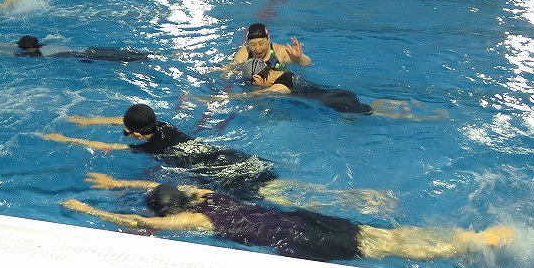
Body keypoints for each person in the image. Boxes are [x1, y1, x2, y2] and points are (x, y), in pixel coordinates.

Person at [61, 172, 515, 264]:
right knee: (380, 236)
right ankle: (466, 236)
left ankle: (469, 244)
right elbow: (162, 190)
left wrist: (88, 210)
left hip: (300, 239)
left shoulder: (195, 222)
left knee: (381, 248)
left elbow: (149, 225)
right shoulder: (206, 196)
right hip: (301, 219)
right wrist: (119, 184)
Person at [43, 103, 394, 213]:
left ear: (136, 134)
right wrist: (92, 120)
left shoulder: (147, 147)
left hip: (224, 175)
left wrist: (68, 137)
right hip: (230, 157)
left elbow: (108, 146)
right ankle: (355, 196)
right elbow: (129, 123)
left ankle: (353, 200)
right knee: (281, 187)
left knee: (281, 197)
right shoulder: (164, 127)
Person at [218, 58, 447, 119]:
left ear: (257, 78)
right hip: (338, 93)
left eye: (251, 82)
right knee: (368, 108)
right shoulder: (282, 72)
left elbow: (252, 98)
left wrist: (211, 99)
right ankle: (402, 104)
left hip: (336, 103)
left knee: (375, 114)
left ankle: (421, 115)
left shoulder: (278, 87)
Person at [233, 23, 311, 69]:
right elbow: (230, 69)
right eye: (253, 44)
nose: (257, 48)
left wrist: (299, 58)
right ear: (248, 42)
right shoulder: (245, 53)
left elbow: (308, 63)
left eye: (261, 43)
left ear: (268, 39)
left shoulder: (279, 52)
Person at [16, 35, 148, 62]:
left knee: (119, 58)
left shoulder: (36, 54)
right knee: (121, 53)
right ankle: (150, 54)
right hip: (87, 49)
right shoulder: (44, 45)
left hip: (84, 55)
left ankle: (147, 57)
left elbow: (12, 53)